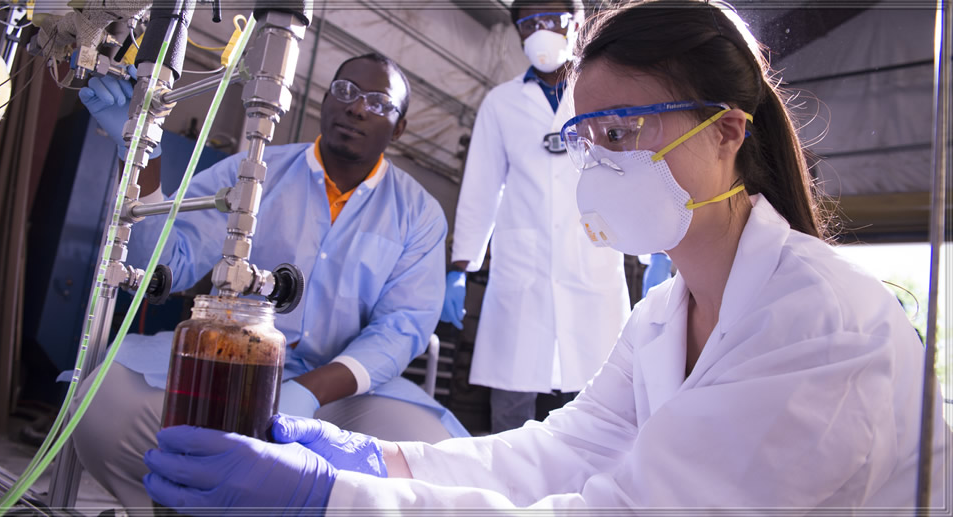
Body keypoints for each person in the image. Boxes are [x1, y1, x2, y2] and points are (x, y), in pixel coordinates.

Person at [141, 0, 950, 510]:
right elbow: (560, 452)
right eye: (586, 140)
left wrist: (334, 497)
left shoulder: (817, 324)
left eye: (622, 133)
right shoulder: (664, 313)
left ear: (729, 131)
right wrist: (377, 456)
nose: (599, 165)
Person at [70, 53, 470, 509]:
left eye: (379, 103)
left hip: (343, 391)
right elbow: (165, 263)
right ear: (324, 100)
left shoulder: (418, 214)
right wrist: (142, 154)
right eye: (346, 92)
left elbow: (401, 329)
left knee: (431, 461)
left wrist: (309, 390)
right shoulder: (253, 170)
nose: (358, 108)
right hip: (231, 362)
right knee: (105, 407)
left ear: (399, 128)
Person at [441, 0, 630, 433]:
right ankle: (509, 494)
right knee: (511, 402)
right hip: (521, 271)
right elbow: (481, 188)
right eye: (529, 23)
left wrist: (655, 251)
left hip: (593, 254)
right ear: (519, 33)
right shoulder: (501, 103)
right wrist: (461, 267)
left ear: (577, 24)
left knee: (597, 402)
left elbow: (634, 169)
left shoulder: (607, 93)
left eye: (553, 19)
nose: (541, 30)